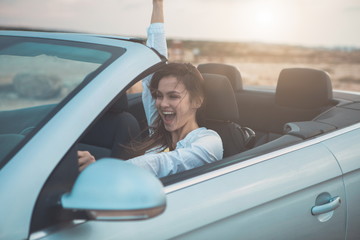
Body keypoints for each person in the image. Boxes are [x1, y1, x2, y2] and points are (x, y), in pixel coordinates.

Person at [78, 0, 223, 178]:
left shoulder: (209, 142)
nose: (162, 104)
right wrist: (158, 6)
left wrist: (103, 170)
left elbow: (165, 163)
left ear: (197, 100)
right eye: (158, 96)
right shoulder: (159, 133)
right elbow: (153, 64)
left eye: (173, 96)